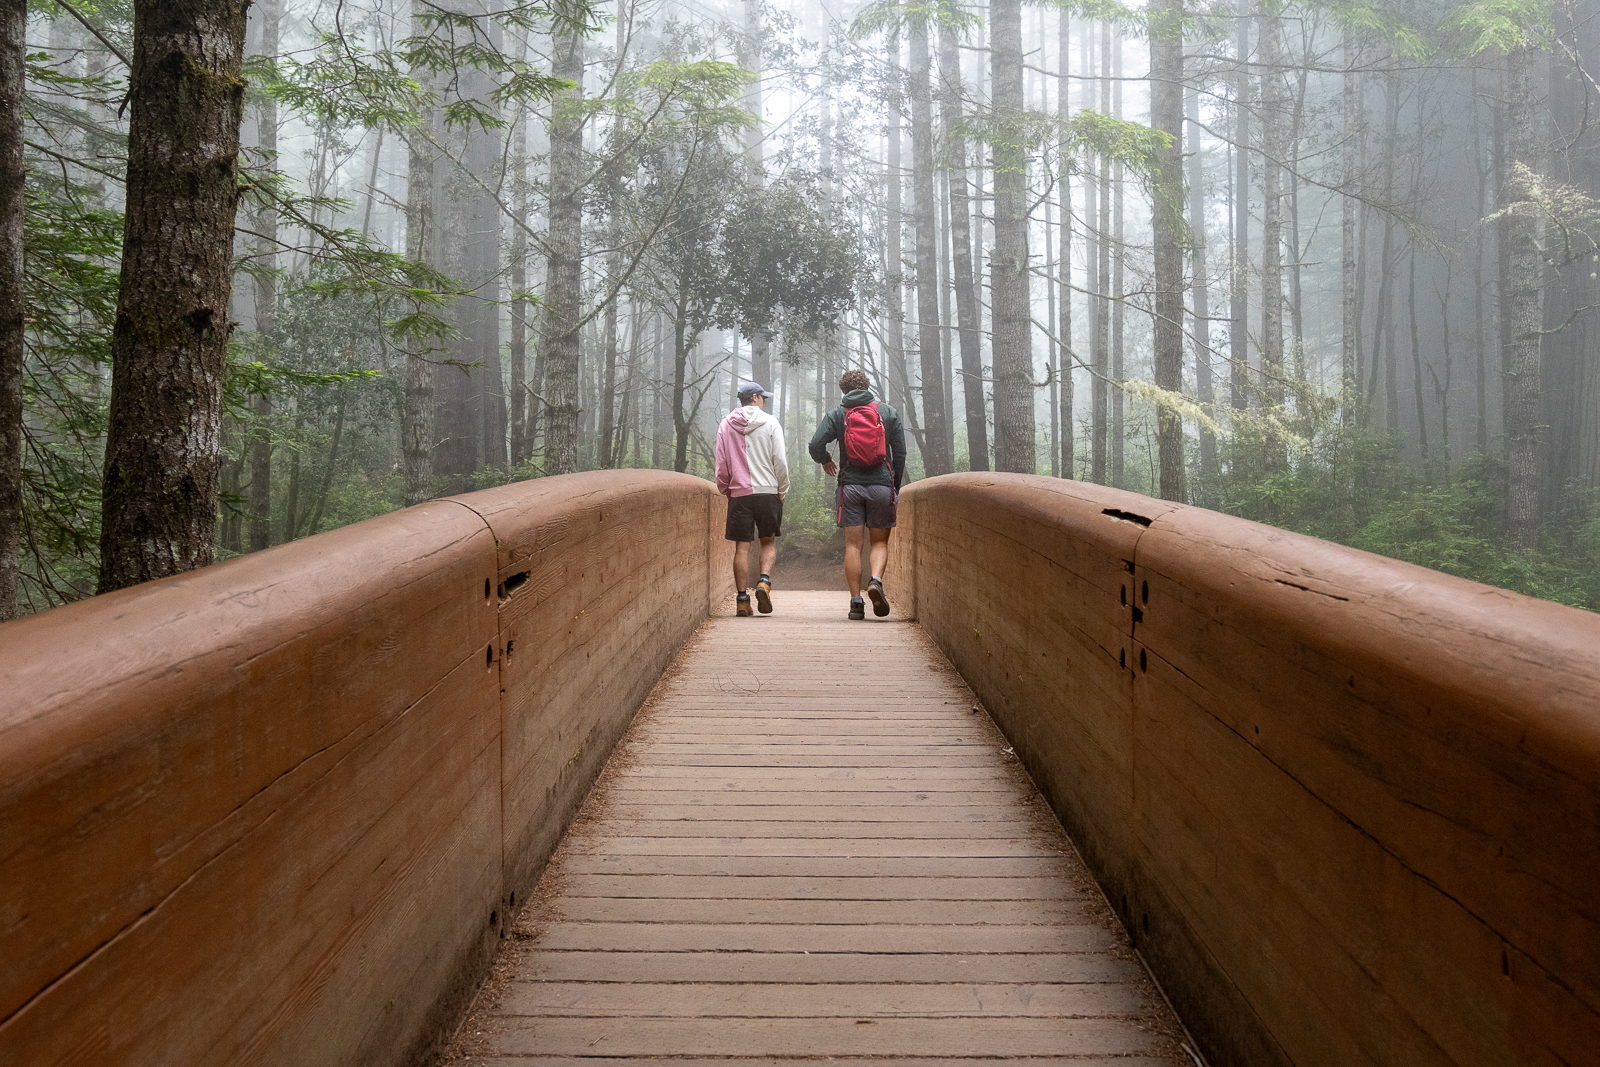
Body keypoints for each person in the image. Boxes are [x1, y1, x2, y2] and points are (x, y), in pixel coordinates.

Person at [808, 369, 906, 620]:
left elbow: (816, 444)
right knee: (879, 542)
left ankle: (855, 603)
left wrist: (825, 460)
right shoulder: (887, 412)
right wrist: (893, 486)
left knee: (853, 544)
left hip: (849, 486)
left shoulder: (838, 414)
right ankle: (875, 581)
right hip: (881, 486)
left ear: (844, 390)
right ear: (867, 386)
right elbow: (900, 452)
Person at [715, 380, 790, 617]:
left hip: (740, 494)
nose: (765, 402)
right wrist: (782, 490)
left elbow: (721, 465)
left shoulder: (726, 425)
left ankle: (741, 600)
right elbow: (779, 459)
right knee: (767, 542)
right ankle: (764, 582)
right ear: (755, 398)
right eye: (763, 397)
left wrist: (727, 490)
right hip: (768, 491)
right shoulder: (770, 422)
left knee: (742, 547)